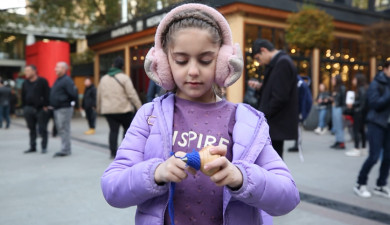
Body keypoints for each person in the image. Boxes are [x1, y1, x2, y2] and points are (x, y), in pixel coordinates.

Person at [101, 4, 300, 225]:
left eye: (205, 60)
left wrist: (240, 177)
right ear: (165, 64)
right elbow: (112, 188)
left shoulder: (245, 121)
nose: (193, 71)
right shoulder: (149, 117)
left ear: (224, 62)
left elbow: (288, 196)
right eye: (181, 60)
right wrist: (156, 172)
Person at [248, 39, 299, 159]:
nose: (259, 63)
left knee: (272, 161)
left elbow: (280, 97)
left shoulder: (282, 63)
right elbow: (277, 91)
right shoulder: (278, 62)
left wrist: (262, 116)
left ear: (263, 50)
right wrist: (261, 88)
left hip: (276, 123)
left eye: (258, 58)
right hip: (275, 123)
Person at [353, 61, 390, 198]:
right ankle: (359, 184)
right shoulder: (376, 83)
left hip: (388, 125)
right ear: (385, 69)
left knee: (388, 157)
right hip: (376, 123)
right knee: (374, 156)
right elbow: (374, 104)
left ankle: (380, 185)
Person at [97, 56, 142, 159]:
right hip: (123, 110)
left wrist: (99, 109)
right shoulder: (124, 78)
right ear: (122, 67)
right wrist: (140, 107)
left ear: (113, 65)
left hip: (108, 111)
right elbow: (132, 94)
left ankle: (112, 153)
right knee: (126, 130)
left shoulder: (103, 79)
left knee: (113, 131)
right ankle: (124, 152)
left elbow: (99, 95)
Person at [50, 62, 78, 157]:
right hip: (58, 108)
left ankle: (65, 149)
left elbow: (73, 94)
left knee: (64, 129)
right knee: (61, 129)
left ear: (63, 69)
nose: (55, 69)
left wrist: (65, 101)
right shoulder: (59, 80)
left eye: (57, 67)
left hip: (64, 108)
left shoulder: (67, 80)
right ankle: (64, 148)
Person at [21, 65, 50, 153]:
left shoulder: (42, 81)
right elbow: (23, 96)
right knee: (31, 128)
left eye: (28, 71)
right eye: (25, 71)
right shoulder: (25, 83)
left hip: (40, 109)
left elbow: (47, 94)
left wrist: (46, 105)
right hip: (28, 109)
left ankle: (44, 147)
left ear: (34, 71)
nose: (26, 73)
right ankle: (32, 146)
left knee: (42, 128)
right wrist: (24, 108)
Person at [345, 73, 367, 157]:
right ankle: (363, 148)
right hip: (362, 113)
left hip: (358, 113)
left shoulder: (361, 90)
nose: (353, 81)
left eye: (354, 79)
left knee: (356, 130)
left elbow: (361, 103)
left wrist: (352, 105)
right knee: (362, 131)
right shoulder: (363, 89)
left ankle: (357, 148)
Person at [330, 75, 346, 149]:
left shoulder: (342, 88)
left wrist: (343, 111)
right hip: (335, 107)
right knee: (336, 126)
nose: (332, 81)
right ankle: (337, 141)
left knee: (339, 126)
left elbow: (343, 100)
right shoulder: (335, 88)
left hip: (339, 108)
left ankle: (341, 142)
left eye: (333, 80)